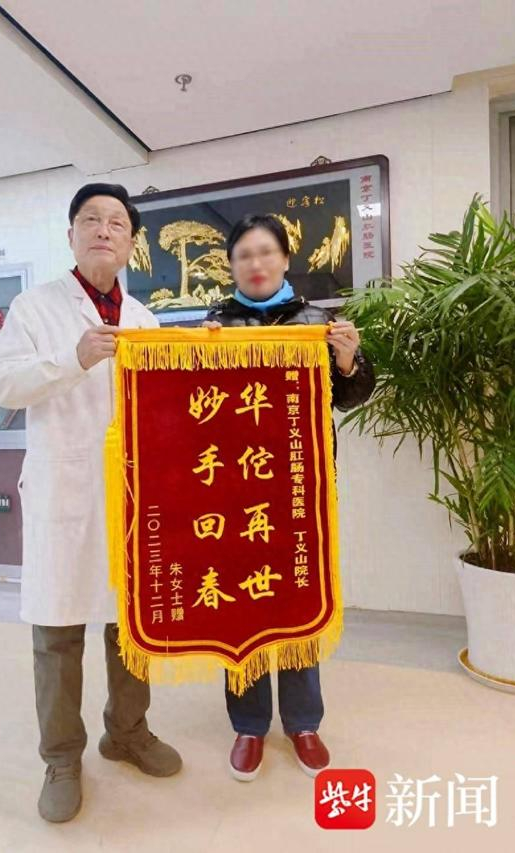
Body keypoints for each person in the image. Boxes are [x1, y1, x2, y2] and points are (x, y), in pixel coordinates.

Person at [0, 183, 182, 823]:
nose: (103, 229)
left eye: (117, 222)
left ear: (131, 242)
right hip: (64, 492)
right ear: (70, 234)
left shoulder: (145, 319)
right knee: (58, 630)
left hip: (132, 498)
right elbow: (0, 384)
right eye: (90, 219)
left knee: (132, 627)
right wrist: (73, 358)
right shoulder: (35, 307)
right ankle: (62, 758)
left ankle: (127, 732)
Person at [203, 213, 375, 781]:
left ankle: (303, 722)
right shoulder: (216, 324)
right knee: (242, 605)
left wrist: (347, 358)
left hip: (300, 488)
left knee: (299, 600)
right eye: (244, 256)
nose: (255, 264)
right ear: (232, 266)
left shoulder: (317, 322)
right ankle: (249, 725)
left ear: (284, 259)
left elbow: (350, 396)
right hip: (234, 490)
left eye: (265, 252)